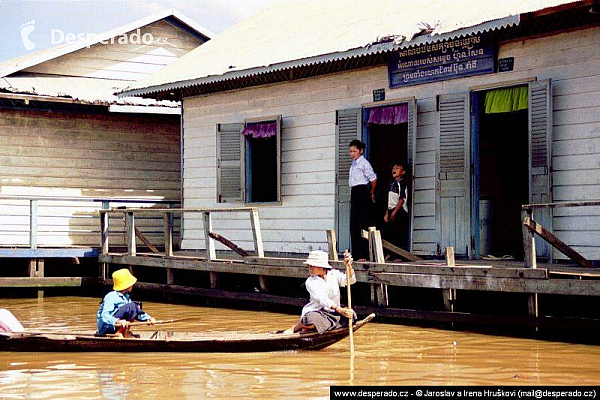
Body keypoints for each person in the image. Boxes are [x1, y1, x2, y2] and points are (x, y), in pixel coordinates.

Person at [285, 250, 356, 334]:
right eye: (309, 266)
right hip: (317, 312)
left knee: (352, 316)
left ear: (322, 267)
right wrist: (339, 309)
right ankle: (297, 327)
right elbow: (323, 299)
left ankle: (314, 328)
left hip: (333, 313)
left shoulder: (334, 275)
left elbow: (350, 280)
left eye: (312, 266)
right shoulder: (310, 282)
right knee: (311, 320)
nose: (310, 269)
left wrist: (349, 267)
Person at [97, 268, 155, 338]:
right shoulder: (111, 296)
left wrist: (148, 319)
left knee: (135, 306)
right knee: (132, 306)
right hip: (107, 328)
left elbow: (136, 312)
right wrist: (118, 321)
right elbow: (105, 315)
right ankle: (118, 333)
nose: (132, 285)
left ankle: (124, 332)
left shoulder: (126, 297)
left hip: (118, 326)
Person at [349, 139, 377, 261]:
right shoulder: (354, 164)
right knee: (354, 223)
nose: (352, 153)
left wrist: (371, 191)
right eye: (350, 151)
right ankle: (355, 253)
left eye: (354, 151)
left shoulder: (364, 163)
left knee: (362, 222)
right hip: (354, 191)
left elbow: (373, 178)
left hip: (362, 191)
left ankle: (363, 255)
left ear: (360, 151)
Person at [383, 162, 409, 258]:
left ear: (403, 172)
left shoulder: (402, 183)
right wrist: (387, 213)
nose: (394, 169)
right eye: (393, 168)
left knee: (399, 233)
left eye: (397, 168)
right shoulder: (392, 184)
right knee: (391, 233)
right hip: (392, 210)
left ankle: (399, 256)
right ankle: (390, 254)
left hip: (399, 211)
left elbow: (401, 199)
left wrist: (394, 212)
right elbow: (390, 202)